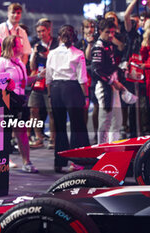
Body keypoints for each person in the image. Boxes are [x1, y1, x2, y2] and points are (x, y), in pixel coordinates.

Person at [46, 25, 90, 173]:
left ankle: (59, 162)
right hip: (72, 89)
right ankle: (78, 163)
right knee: (78, 126)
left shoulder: (52, 53)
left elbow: (48, 78)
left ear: (59, 37)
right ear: (74, 37)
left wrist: (51, 95)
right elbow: (82, 79)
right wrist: (86, 96)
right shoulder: (78, 53)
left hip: (56, 89)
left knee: (59, 127)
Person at [0, 35, 38, 173]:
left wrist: (38, 77)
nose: (22, 46)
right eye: (19, 44)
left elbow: (23, 82)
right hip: (6, 102)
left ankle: (27, 162)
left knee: (22, 132)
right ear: (12, 46)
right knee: (4, 134)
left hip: (19, 102)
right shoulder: (1, 63)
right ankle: (2, 161)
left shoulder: (19, 62)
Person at [91, 19, 126, 144]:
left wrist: (121, 72)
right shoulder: (98, 47)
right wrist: (112, 82)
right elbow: (96, 71)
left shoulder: (109, 44)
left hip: (113, 86)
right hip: (104, 88)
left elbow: (112, 65)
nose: (111, 35)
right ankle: (102, 151)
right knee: (105, 122)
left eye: (112, 32)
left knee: (117, 121)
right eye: (107, 32)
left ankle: (113, 150)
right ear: (100, 31)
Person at [28, 18, 57, 149]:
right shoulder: (35, 43)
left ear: (49, 30)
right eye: (38, 31)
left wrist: (47, 55)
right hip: (38, 81)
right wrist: (34, 53)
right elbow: (32, 66)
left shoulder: (56, 43)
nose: (41, 34)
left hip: (51, 82)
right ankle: (38, 137)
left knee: (51, 112)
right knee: (33, 109)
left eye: (43, 31)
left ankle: (53, 138)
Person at [75, 19, 98, 143]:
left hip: (95, 78)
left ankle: (96, 135)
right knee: (84, 107)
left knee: (97, 107)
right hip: (82, 79)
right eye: (87, 27)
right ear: (83, 29)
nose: (90, 29)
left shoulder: (98, 42)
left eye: (92, 27)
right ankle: (83, 137)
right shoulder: (79, 43)